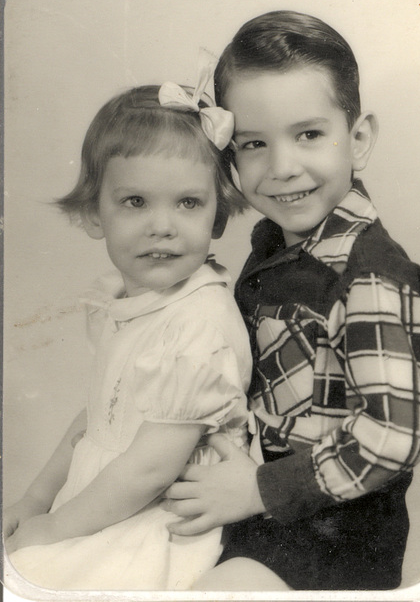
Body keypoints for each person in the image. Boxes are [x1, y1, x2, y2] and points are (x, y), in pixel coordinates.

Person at [163, 11, 420, 591]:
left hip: (332, 543)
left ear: (357, 139)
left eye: (308, 134)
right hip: (255, 514)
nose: (282, 167)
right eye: (255, 144)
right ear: (231, 159)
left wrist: (260, 489)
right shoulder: (274, 249)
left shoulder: (371, 277)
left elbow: (396, 435)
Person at [4, 76, 252, 590]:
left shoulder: (197, 325)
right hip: (102, 501)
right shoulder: (124, 301)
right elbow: (96, 419)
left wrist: (51, 529)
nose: (162, 226)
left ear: (218, 215)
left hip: (159, 521)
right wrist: (34, 499)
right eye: (136, 202)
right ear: (96, 213)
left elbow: (150, 472)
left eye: (187, 203)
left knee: (29, 576)